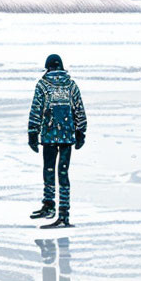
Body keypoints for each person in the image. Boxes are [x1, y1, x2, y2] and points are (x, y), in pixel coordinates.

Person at [28, 53, 87, 226]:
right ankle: (64, 213)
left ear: (48, 68)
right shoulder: (71, 86)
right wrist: (81, 131)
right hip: (67, 136)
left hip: (49, 136)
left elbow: (36, 110)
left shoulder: (43, 85)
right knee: (63, 173)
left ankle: (49, 206)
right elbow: (79, 110)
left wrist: (33, 132)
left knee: (48, 170)